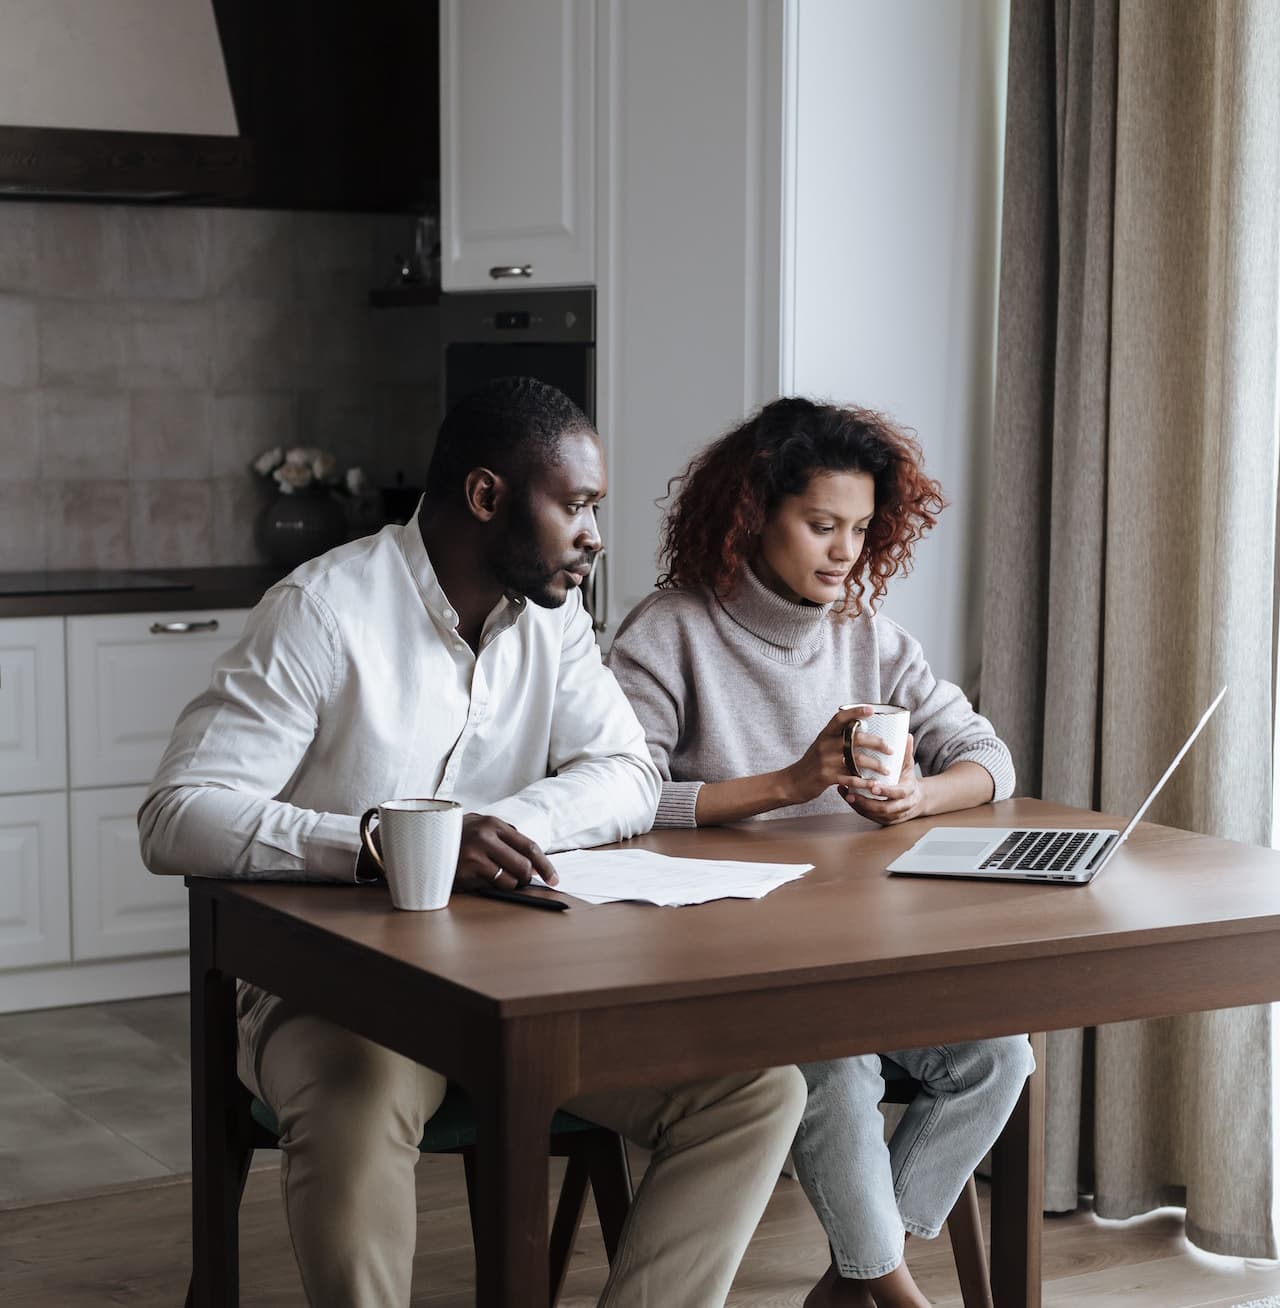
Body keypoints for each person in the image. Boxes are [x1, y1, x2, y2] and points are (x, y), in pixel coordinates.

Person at [138, 377, 806, 1308]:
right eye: (574, 505)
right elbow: (176, 814)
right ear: (487, 496)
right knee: (360, 1096)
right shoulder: (322, 613)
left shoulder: (555, 620)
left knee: (756, 1091)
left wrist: (505, 831)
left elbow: (629, 771)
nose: (595, 535)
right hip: (335, 989)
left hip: (524, 987)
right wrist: (384, 843)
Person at [607, 397, 1034, 1308]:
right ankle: (893, 1299)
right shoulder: (668, 632)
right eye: (821, 525)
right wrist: (787, 785)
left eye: (862, 528)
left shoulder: (870, 638)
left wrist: (919, 794)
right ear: (754, 515)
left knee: (1001, 1053)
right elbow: (621, 802)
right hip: (718, 969)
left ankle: (848, 1290)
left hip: (856, 959)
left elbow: (991, 760)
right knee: (835, 1063)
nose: (845, 551)